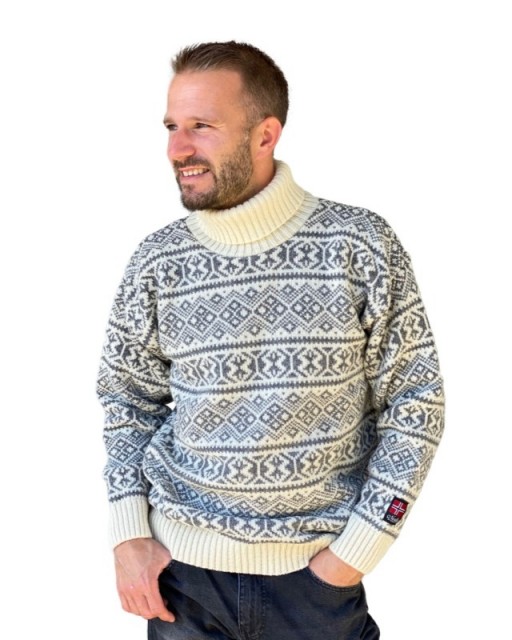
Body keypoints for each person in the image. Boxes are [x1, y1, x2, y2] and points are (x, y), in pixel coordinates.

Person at [97, 41, 445, 640]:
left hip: (316, 588)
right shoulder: (158, 261)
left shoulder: (359, 245)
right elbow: (127, 399)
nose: (178, 149)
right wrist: (128, 533)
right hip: (184, 588)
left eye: (202, 127)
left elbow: (417, 403)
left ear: (266, 134)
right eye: (173, 127)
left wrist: (358, 550)